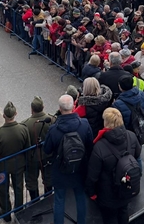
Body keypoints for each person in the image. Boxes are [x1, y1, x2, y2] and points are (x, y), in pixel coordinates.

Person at [85, 107, 142, 224]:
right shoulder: (131, 136)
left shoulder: (99, 146)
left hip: (108, 194)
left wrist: (91, 192)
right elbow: (137, 154)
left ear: (106, 123)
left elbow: (93, 175)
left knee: (109, 218)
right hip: (126, 189)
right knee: (123, 212)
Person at [43, 95, 93, 224]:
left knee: (59, 200)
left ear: (60, 109)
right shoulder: (84, 124)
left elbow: (47, 149)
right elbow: (90, 145)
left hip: (60, 171)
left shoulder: (53, 130)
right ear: (73, 107)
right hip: (80, 169)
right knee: (80, 197)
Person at [0, 102, 31, 222]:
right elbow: (27, 148)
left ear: (3, 115)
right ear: (16, 114)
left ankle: (5, 212)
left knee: (3, 190)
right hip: (18, 164)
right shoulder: (23, 129)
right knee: (18, 187)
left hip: (2, 167)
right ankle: (19, 210)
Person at [23, 96, 54, 201]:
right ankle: (48, 199)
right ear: (43, 107)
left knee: (32, 181)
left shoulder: (25, 124)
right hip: (48, 155)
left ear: (31, 109)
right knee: (48, 178)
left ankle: (35, 201)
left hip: (32, 158)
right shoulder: (51, 120)